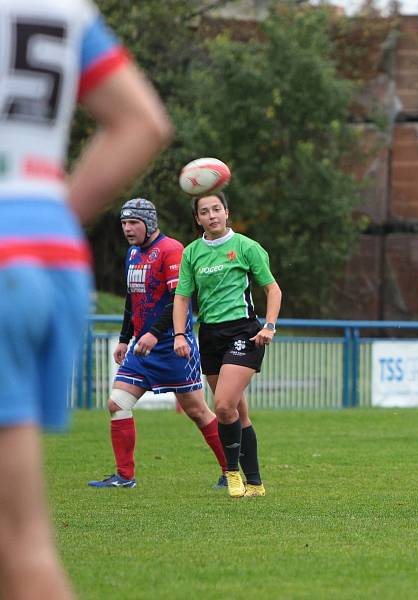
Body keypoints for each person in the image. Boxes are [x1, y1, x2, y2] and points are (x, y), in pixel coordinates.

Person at [0, 0, 172, 597]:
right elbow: (143, 123)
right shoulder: (59, 7)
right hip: (45, 251)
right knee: (20, 543)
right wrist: (44, 220)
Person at [88, 199, 228, 489]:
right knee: (117, 403)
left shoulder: (171, 250)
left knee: (198, 412)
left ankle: (231, 470)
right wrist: (125, 338)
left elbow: (179, 299)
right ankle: (125, 476)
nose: (127, 228)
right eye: (124, 223)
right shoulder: (133, 254)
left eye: (134, 222)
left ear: (149, 223)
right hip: (141, 348)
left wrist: (154, 333)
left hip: (174, 347)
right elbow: (132, 299)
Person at [173, 192, 282, 498]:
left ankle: (232, 474)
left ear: (226, 212)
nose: (212, 215)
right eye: (205, 211)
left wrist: (269, 327)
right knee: (237, 413)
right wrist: (180, 334)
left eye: (216, 209)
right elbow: (182, 297)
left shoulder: (246, 247)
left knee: (222, 405)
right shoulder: (192, 253)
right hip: (209, 335)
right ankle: (257, 484)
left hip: (244, 333)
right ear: (198, 219)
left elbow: (273, 290)